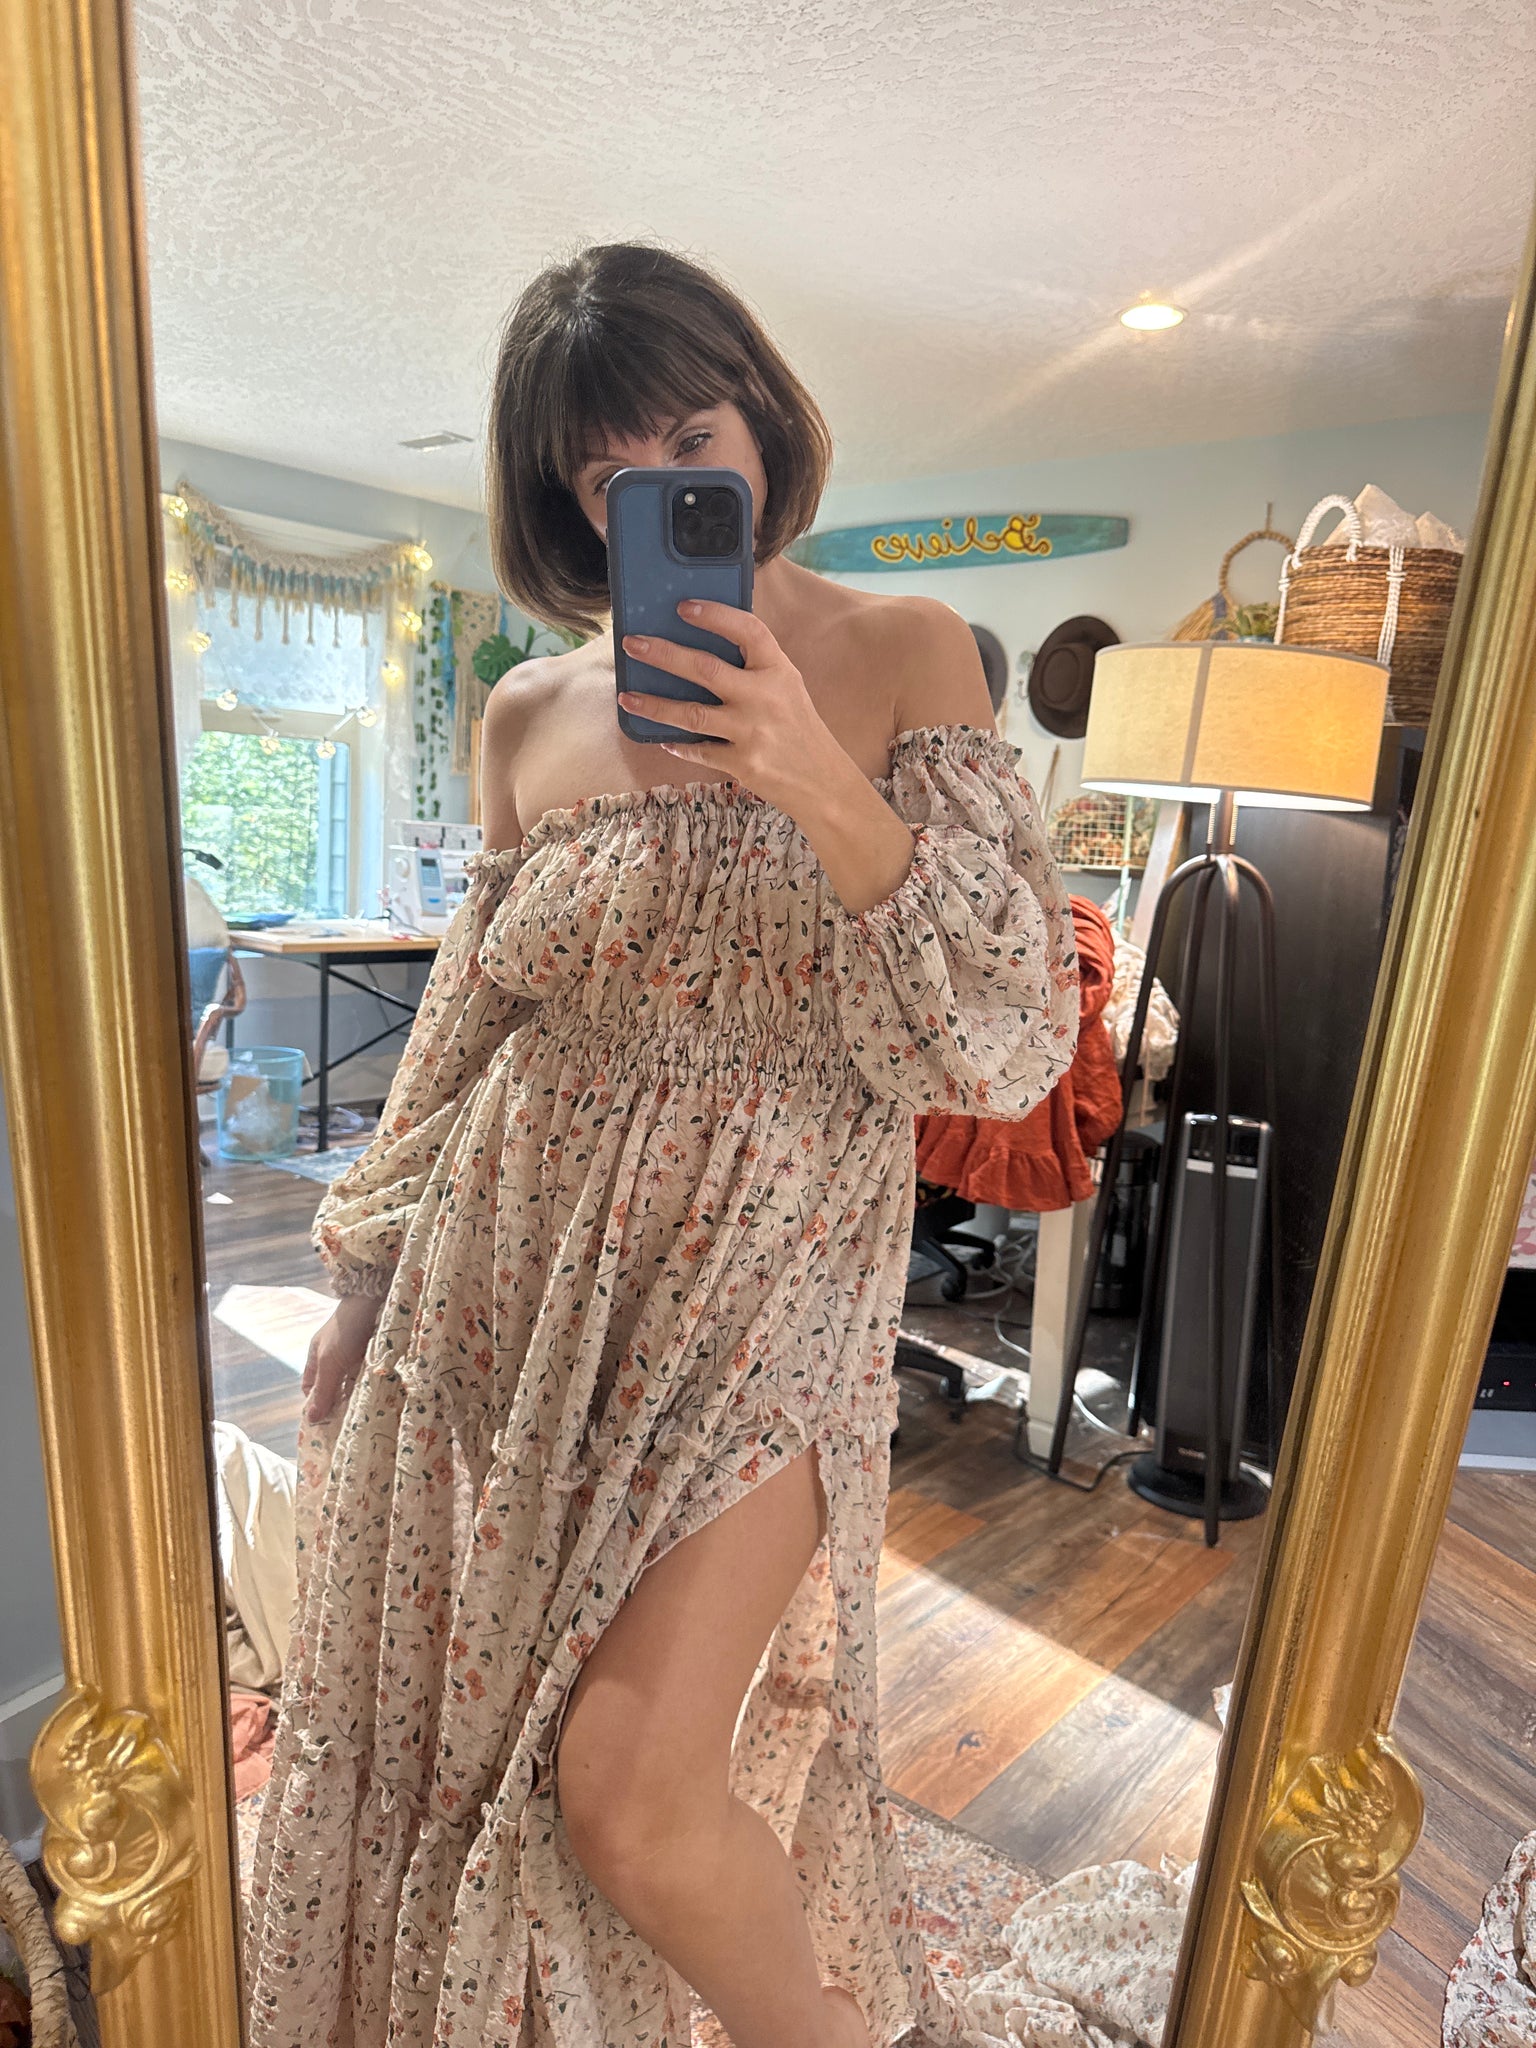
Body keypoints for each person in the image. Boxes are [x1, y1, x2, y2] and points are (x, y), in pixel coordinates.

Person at [244, 241, 1079, 2048]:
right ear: (566, 503)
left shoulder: (907, 653)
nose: (659, 490)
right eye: (607, 473)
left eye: (690, 441)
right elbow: (470, 1026)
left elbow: (1006, 1038)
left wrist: (808, 768)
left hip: (773, 1281)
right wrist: (365, 1280)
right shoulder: (526, 715)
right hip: (513, 1267)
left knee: (630, 1788)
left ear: (761, 421)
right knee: (489, 1728)